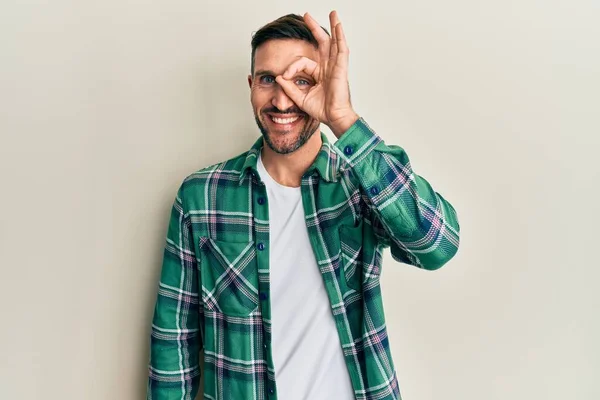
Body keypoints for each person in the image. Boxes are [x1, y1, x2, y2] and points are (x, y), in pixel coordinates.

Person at [147, 10, 460, 400]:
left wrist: (343, 119)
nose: (282, 100)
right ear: (250, 85)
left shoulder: (359, 183)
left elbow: (438, 245)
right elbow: (173, 344)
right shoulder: (201, 197)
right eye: (267, 80)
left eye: (301, 81)